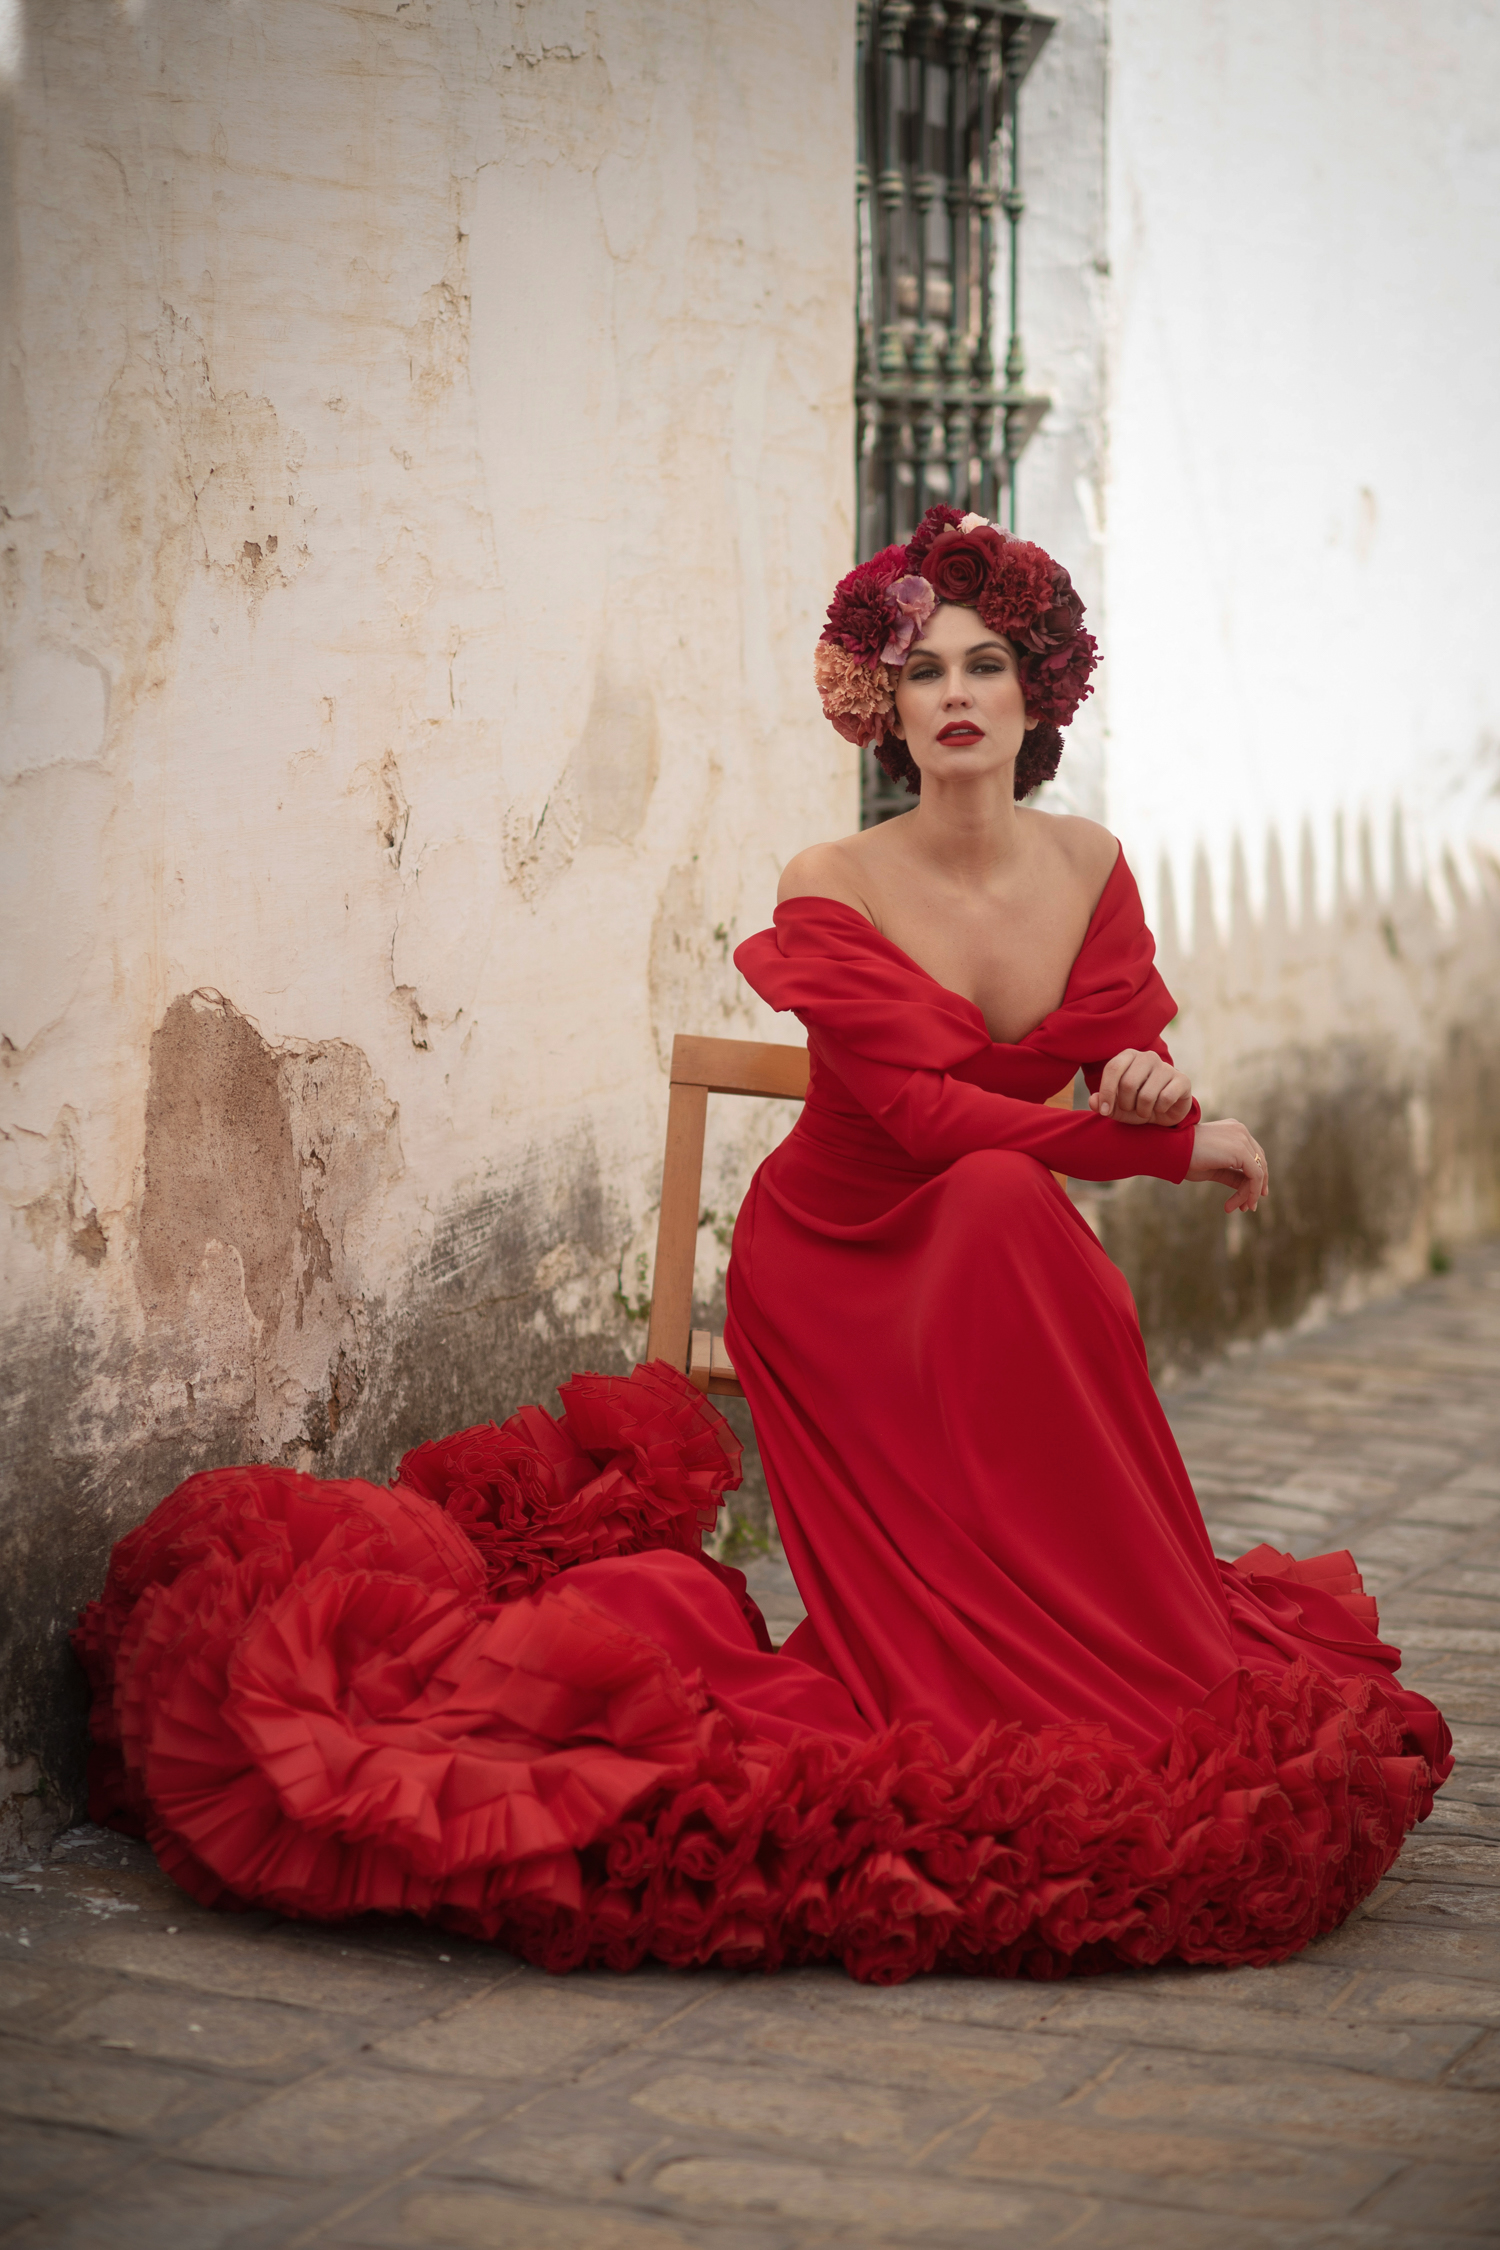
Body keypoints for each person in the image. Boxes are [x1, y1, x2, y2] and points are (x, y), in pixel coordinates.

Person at [74, 509, 1449, 1984]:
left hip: (983, 1241)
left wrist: (1150, 1094)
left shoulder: (1092, 865)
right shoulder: (832, 878)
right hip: (839, 1255)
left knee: (1010, 1209)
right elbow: (924, 1120)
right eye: (924, 672)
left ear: (1041, 690)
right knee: (999, 1192)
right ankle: (1011, 1661)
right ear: (884, 707)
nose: (958, 694)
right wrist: (1174, 1151)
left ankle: (1117, 1640)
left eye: (988, 664)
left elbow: (1125, 1060)